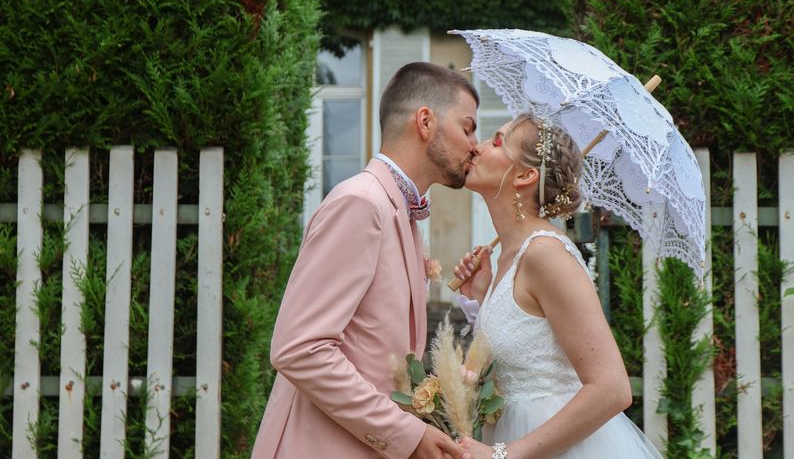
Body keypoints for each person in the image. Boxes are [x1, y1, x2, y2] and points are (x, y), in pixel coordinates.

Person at [252, 62, 479, 459]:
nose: (475, 144)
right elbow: (299, 348)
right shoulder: (361, 203)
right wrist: (404, 434)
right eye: (468, 127)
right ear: (425, 122)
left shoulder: (403, 215)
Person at [452, 114, 663, 459]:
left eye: (496, 141)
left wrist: (504, 454)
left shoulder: (546, 254)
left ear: (525, 175)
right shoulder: (511, 255)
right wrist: (480, 298)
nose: (476, 147)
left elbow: (612, 389)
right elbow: (524, 355)